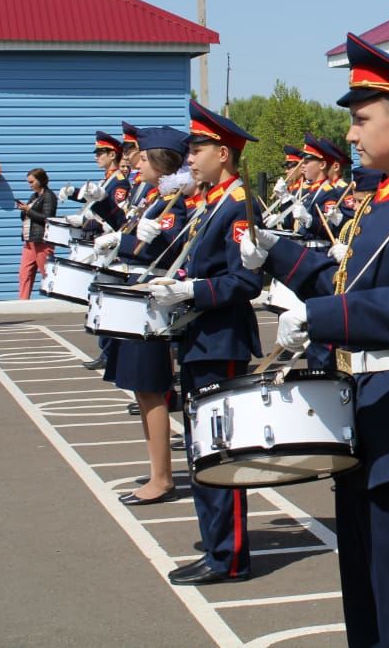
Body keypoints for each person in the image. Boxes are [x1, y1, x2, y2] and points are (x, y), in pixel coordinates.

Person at [239, 32, 389, 647]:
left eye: (361, 120)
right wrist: (278, 254)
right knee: (366, 602)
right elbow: (346, 282)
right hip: (361, 414)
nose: (350, 135)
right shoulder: (380, 207)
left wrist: (325, 319)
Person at [149, 101, 263, 586]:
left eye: (197, 150)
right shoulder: (212, 200)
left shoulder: (239, 204)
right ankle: (217, 546)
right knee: (202, 450)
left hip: (222, 340)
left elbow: (244, 282)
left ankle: (230, 554)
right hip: (199, 336)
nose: (189, 158)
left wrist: (192, 290)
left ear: (223, 152)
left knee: (221, 451)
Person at [93, 127, 192, 505]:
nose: (137, 162)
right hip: (135, 293)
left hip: (151, 301)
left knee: (151, 388)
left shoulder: (173, 201)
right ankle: (158, 471)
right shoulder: (154, 197)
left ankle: (162, 476)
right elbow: (131, 230)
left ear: (162, 164)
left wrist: (132, 242)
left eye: (145, 158)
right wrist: (107, 211)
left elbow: (171, 251)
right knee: (141, 387)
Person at [16, 167, 57, 299]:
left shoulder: (49, 196)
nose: (30, 185)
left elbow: (47, 217)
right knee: (24, 273)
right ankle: (22, 301)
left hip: (42, 241)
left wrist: (28, 210)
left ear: (40, 181)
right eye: (29, 182)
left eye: (32, 182)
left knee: (46, 272)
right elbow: (26, 217)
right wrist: (24, 210)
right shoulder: (34, 196)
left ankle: (55, 299)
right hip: (29, 240)